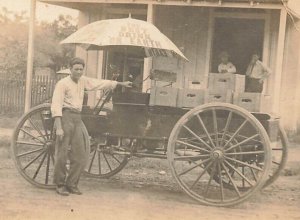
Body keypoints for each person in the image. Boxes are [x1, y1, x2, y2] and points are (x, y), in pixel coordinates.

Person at [51, 57, 132, 196]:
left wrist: (120, 83)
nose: (78, 72)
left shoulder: (83, 81)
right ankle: (60, 184)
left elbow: (98, 83)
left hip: (77, 118)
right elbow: (56, 105)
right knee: (62, 154)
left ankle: (71, 184)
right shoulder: (62, 84)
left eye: (81, 69)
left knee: (81, 154)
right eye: (76, 69)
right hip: (65, 117)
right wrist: (59, 127)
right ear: (70, 69)